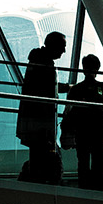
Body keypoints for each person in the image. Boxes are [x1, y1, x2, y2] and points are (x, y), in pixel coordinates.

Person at [17, 32, 69, 185]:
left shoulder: (38, 61)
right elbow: (45, 89)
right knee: (46, 158)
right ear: (54, 46)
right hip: (41, 124)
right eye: (62, 47)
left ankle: (34, 182)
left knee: (39, 157)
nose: (64, 51)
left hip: (36, 123)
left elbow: (43, 87)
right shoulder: (43, 64)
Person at [61, 54, 103, 191]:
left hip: (82, 131)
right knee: (100, 162)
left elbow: (69, 111)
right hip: (99, 131)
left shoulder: (76, 89)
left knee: (83, 162)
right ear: (97, 69)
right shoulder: (102, 87)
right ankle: (100, 190)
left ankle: (84, 189)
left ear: (83, 68)